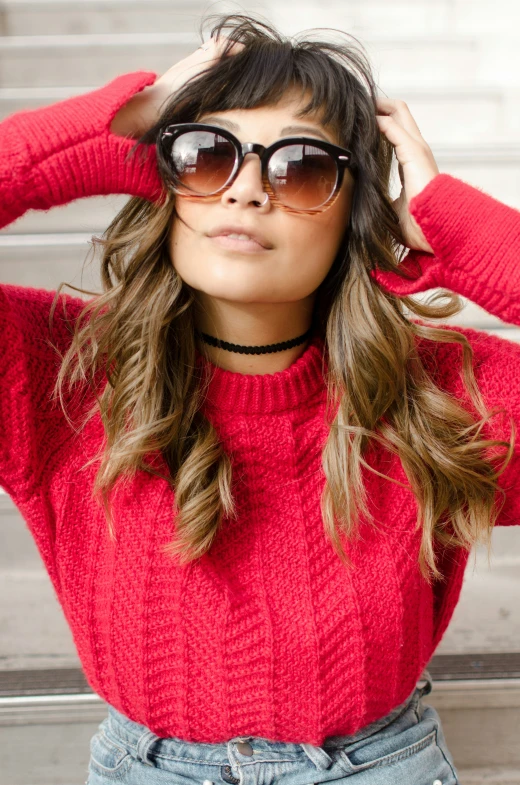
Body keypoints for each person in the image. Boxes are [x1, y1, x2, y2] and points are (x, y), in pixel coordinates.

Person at [1, 11, 519, 785]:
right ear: (160, 180)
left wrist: (462, 229)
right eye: (206, 155)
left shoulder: (440, 393)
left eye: (301, 167)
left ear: (359, 208)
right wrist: (95, 133)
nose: (245, 190)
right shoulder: (58, 373)